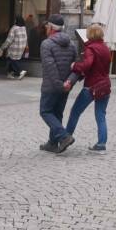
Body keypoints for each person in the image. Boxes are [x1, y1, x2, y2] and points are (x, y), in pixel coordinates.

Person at [64, 23, 111, 152]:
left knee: (75, 112)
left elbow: (87, 65)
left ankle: (66, 137)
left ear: (90, 34)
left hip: (92, 86)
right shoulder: (105, 48)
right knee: (100, 115)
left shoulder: (91, 48)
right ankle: (101, 144)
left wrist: (74, 66)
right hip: (105, 85)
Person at [38, 14, 77, 153]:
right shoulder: (72, 44)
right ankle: (52, 143)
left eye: (47, 26)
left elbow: (50, 68)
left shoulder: (46, 44)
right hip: (65, 86)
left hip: (51, 86)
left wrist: (60, 85)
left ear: (51, 28)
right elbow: (76, 67)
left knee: (46, 111)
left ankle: (64, 136)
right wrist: (69, 82)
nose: (46, 28)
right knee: (57, 113)